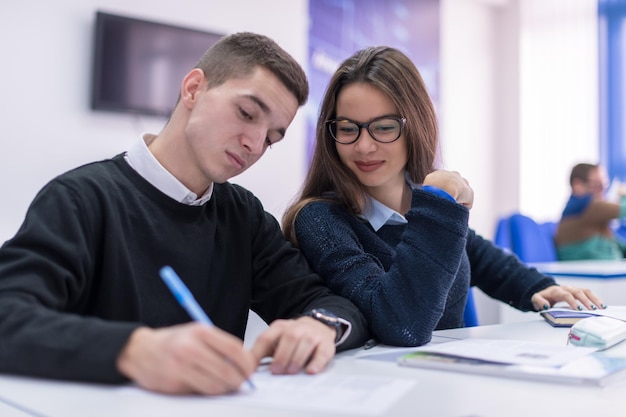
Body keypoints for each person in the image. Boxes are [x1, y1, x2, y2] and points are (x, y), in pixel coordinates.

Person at [0, 32, 369, 395]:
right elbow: (8, 317)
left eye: (271, 138)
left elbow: (327, 303)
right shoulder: (81, 199)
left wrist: (321, 326)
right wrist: (134, 350)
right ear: (193, 88)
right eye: (246, 113)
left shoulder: (243, 216)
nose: (255, 144)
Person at [282, 46, 604, 347]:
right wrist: (437, 199)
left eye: (383, 127)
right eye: (349, 128)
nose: (364, 146)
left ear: (416, 125)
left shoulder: (421, 203)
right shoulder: (320, 219)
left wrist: (540, 288)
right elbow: (402, 322)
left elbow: (480, 257)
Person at [555, 163, 626, 260]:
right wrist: (623, 194)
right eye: (597, 184)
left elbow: (614, 241)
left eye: (604, 184)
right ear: (577, 185)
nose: (602, 189)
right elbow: (623, 209)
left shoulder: (575, 208)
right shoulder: (588, 206)